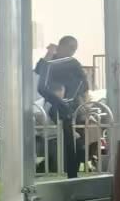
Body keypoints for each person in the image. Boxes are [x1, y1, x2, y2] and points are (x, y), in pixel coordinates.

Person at [35, 35, 88, 177]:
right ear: (61, 46)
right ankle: (66, 170)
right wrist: (49, 53)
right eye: (70, 48)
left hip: (72, 103)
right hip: (55, 102)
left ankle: (74, 170)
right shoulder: (52, 61)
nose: (72, 52)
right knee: (65, 136)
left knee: (79, 143)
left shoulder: (72, 63)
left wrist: (83, 102)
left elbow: (83, 84)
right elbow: (39, 70)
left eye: (74, 49)